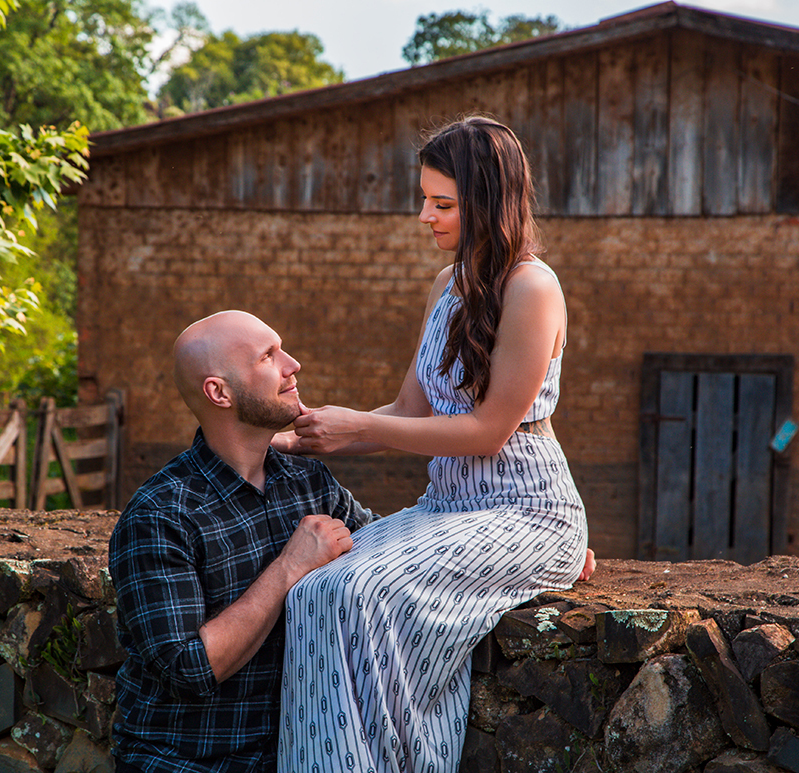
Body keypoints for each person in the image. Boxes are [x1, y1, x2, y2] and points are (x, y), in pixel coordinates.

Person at [274, 115, 595, 773]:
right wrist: (298, 439)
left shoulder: (533, 287)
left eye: (442, 203)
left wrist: (358, 425)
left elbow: (488, 430)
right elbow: (407, 411)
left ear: (488, 202)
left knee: (357, 594)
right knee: (313, 588)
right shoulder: (446, 286)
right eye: (425, 199)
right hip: (446, 506)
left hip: (528, 512)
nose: (425, 216)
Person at [107, 310, 373, 773]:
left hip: (295, 756)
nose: (293, 365)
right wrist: (289, 567)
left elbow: (379, 548)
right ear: (219, 392)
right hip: (185, 763)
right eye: (268, 356)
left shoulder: (309, 481)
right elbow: (188, 669)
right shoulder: (160, 514)